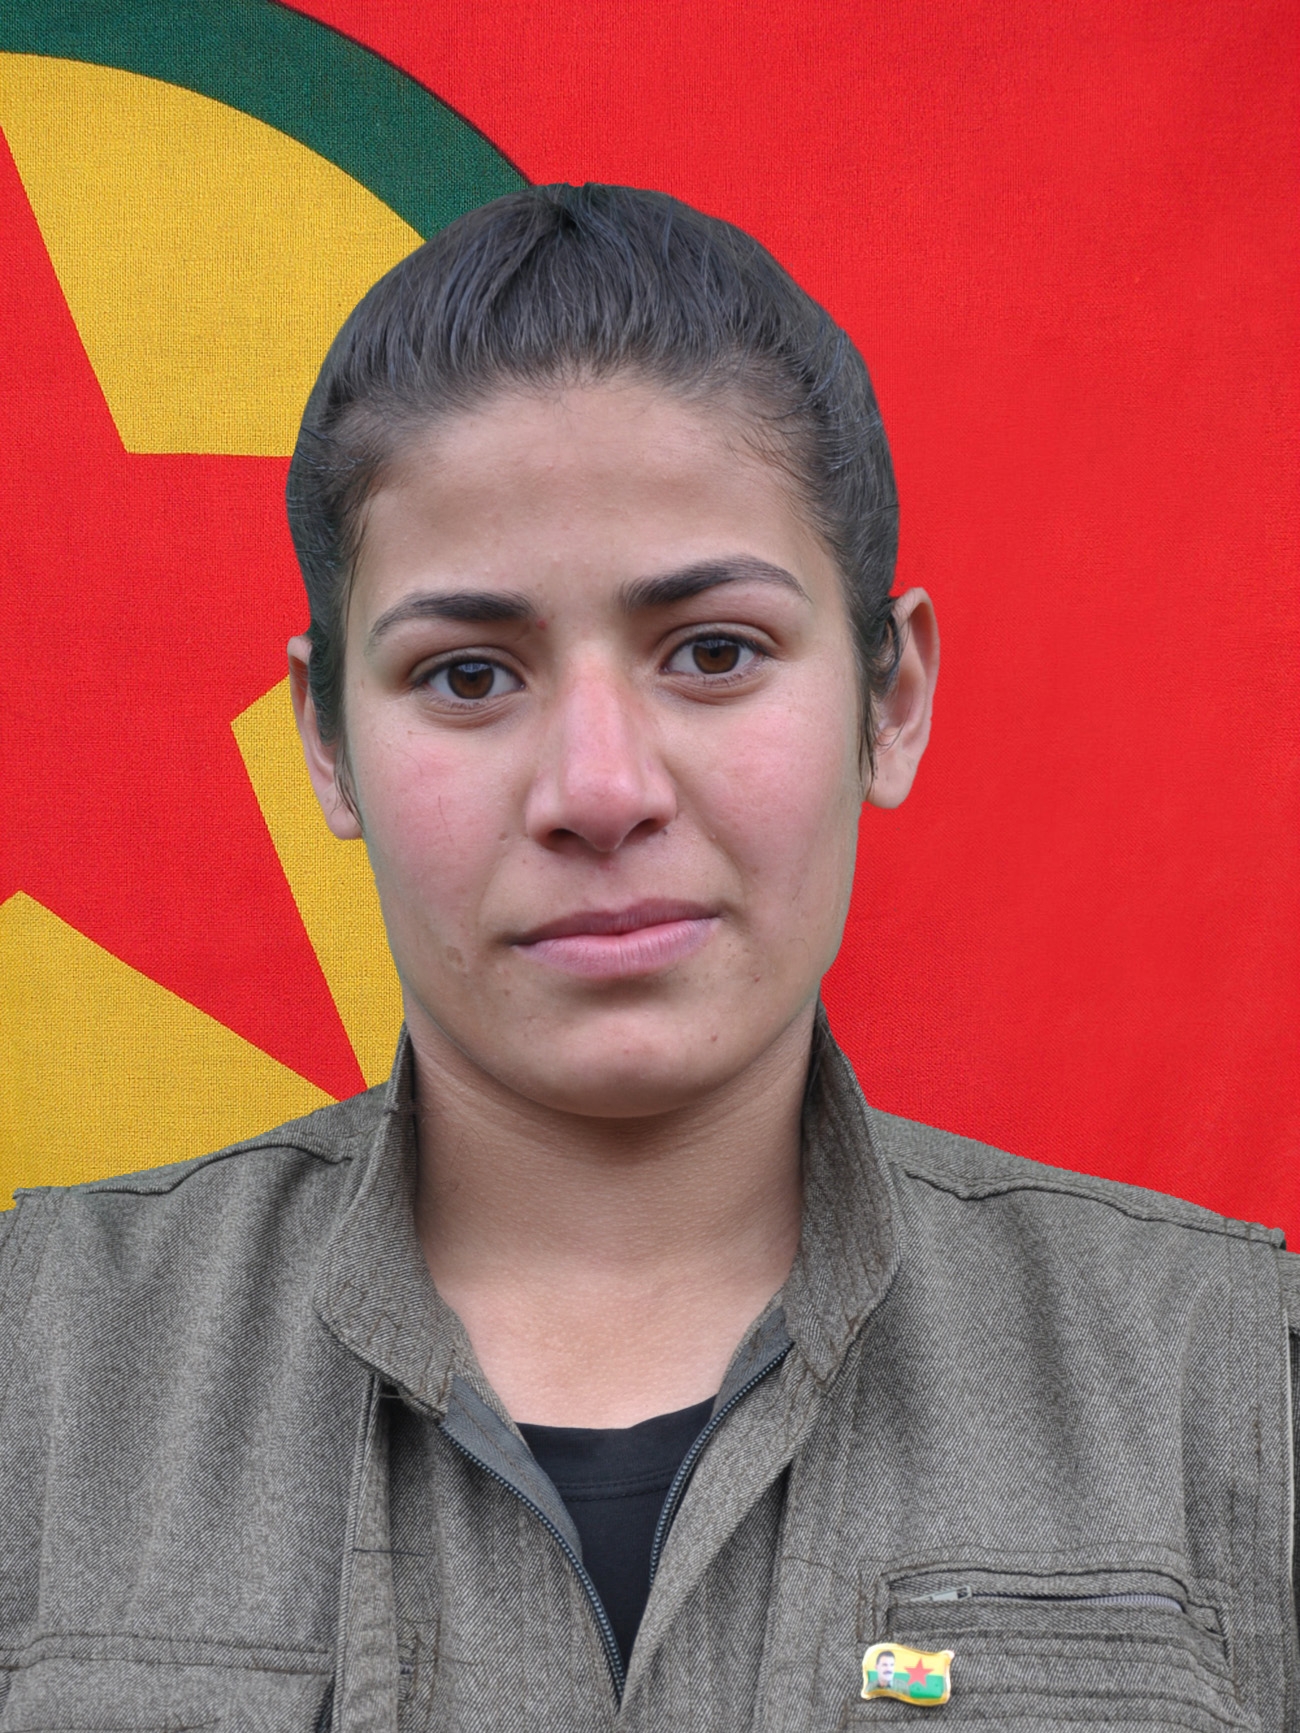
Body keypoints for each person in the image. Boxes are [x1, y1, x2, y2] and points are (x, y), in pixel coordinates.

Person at [0, 184, 1295, 1732]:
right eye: (467, 674)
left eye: (713, 651)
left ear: (889, 700)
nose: (601, 787)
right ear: (327, 740)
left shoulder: (1228, 1386)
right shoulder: (42, 1368)